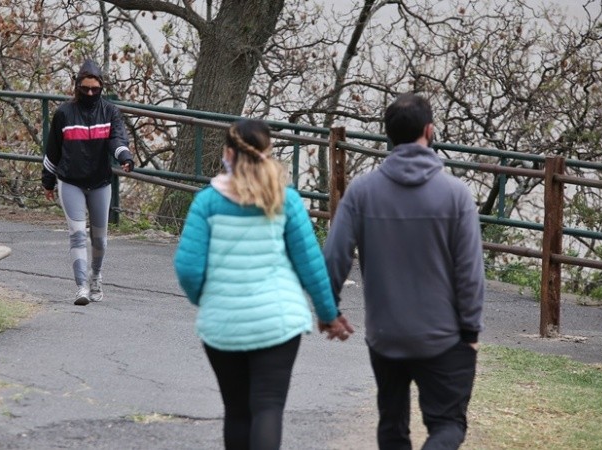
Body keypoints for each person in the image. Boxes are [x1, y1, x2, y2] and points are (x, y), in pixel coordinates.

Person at [174, 119, 353, 450]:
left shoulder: (207, 202)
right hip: (277, 322)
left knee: (237, 411)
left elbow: (187, 268)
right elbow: (311, 266)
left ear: (228, 153)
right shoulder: (285, 200)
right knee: (268, 407)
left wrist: (209, 299)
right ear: (268, 154)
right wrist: (329, 313)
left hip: (223, 324)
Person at [323, 92, 485, 450]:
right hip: (444, 337)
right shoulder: (456, 195)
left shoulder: (362, 191)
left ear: (388, 135)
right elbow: (471, 272)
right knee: (447, 425)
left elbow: (334, 255)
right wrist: (471, 329)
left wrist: (328, 310)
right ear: (429, 130)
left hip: (386, 334)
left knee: (392, 425)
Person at [42, 59, 135, 306]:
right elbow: (53, 149)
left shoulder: (110, 111)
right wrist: (48, 181)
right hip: (70, 180)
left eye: (95, 89)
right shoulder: (64, 113)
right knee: (77, 235)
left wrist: (124, 156)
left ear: (101, 87)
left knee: (100, 239)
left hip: (100, 181)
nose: (91, 93)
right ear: (77, 87)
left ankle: (95, 276)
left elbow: (117, 139)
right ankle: (81, 286)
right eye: (86, 89)